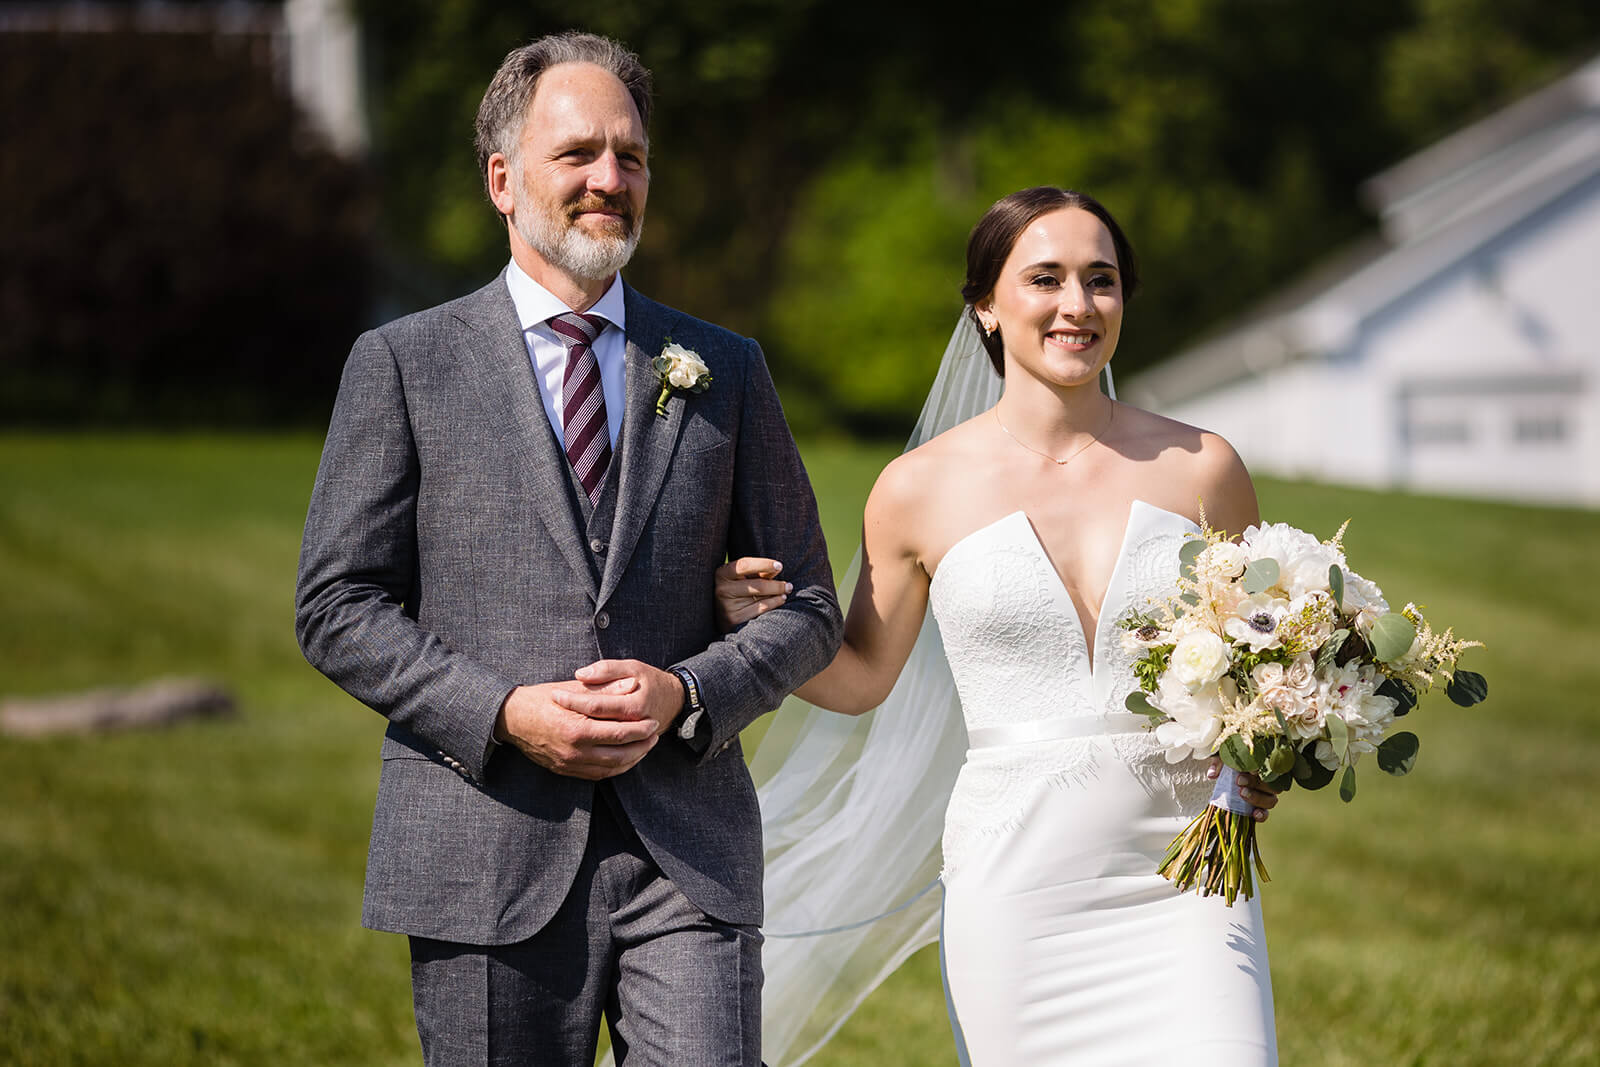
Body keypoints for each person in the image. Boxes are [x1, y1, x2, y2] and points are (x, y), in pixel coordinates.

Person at [295, 32, 842, 1066]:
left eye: (631, 157)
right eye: (580, 153)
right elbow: (335, 604)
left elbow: (811, 606)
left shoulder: (722, 367)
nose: (610, 179)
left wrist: (688, 690)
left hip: (689, 856)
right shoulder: (404, 364)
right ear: (504, 179)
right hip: (482, 844)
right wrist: (504, 711)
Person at [717, 187, 1279, 1064]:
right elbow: (863, 676)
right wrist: (758, 626)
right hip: (1018, 893)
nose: (1076, 305)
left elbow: (1266, 666)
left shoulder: (1204, 468)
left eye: (1101, 281)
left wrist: (1271, 750)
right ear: (986, 304)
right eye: (1044, 278)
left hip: (1188, 881)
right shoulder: (916, 488)